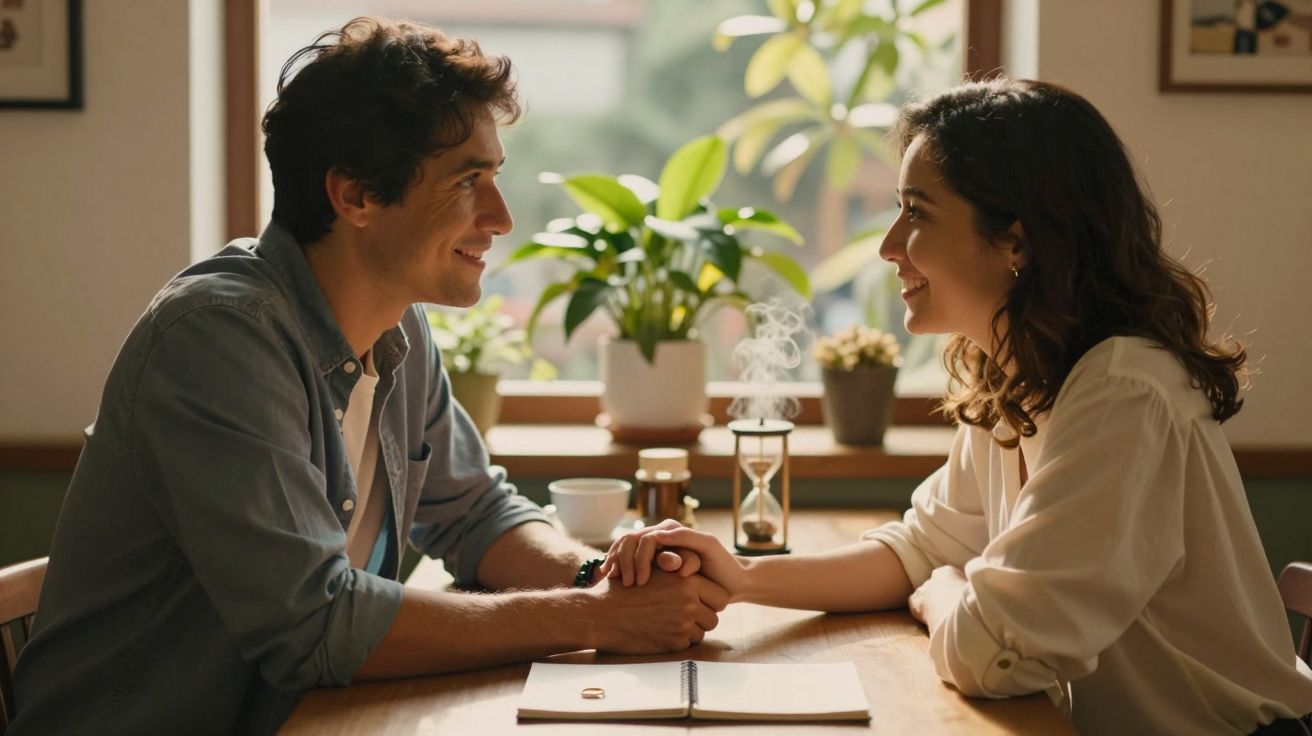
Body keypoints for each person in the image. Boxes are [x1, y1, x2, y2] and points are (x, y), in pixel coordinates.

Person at [9, 17, 726, 736]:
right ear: (354, 197)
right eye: (468, 181)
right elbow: (315, 623)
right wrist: (591, 617)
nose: (501, 218)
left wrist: (596, 578)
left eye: (494, 178)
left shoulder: (395, 327)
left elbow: (475, 514)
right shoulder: (217, 341)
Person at [602, 78, 1312, 735]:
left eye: (916, 212)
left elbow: (992, 653)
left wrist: (945, 592)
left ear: (1017, 240)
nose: (887, 247)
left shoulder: (1123, 392)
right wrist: (743, 577)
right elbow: (924, 548)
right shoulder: (1022, 374)